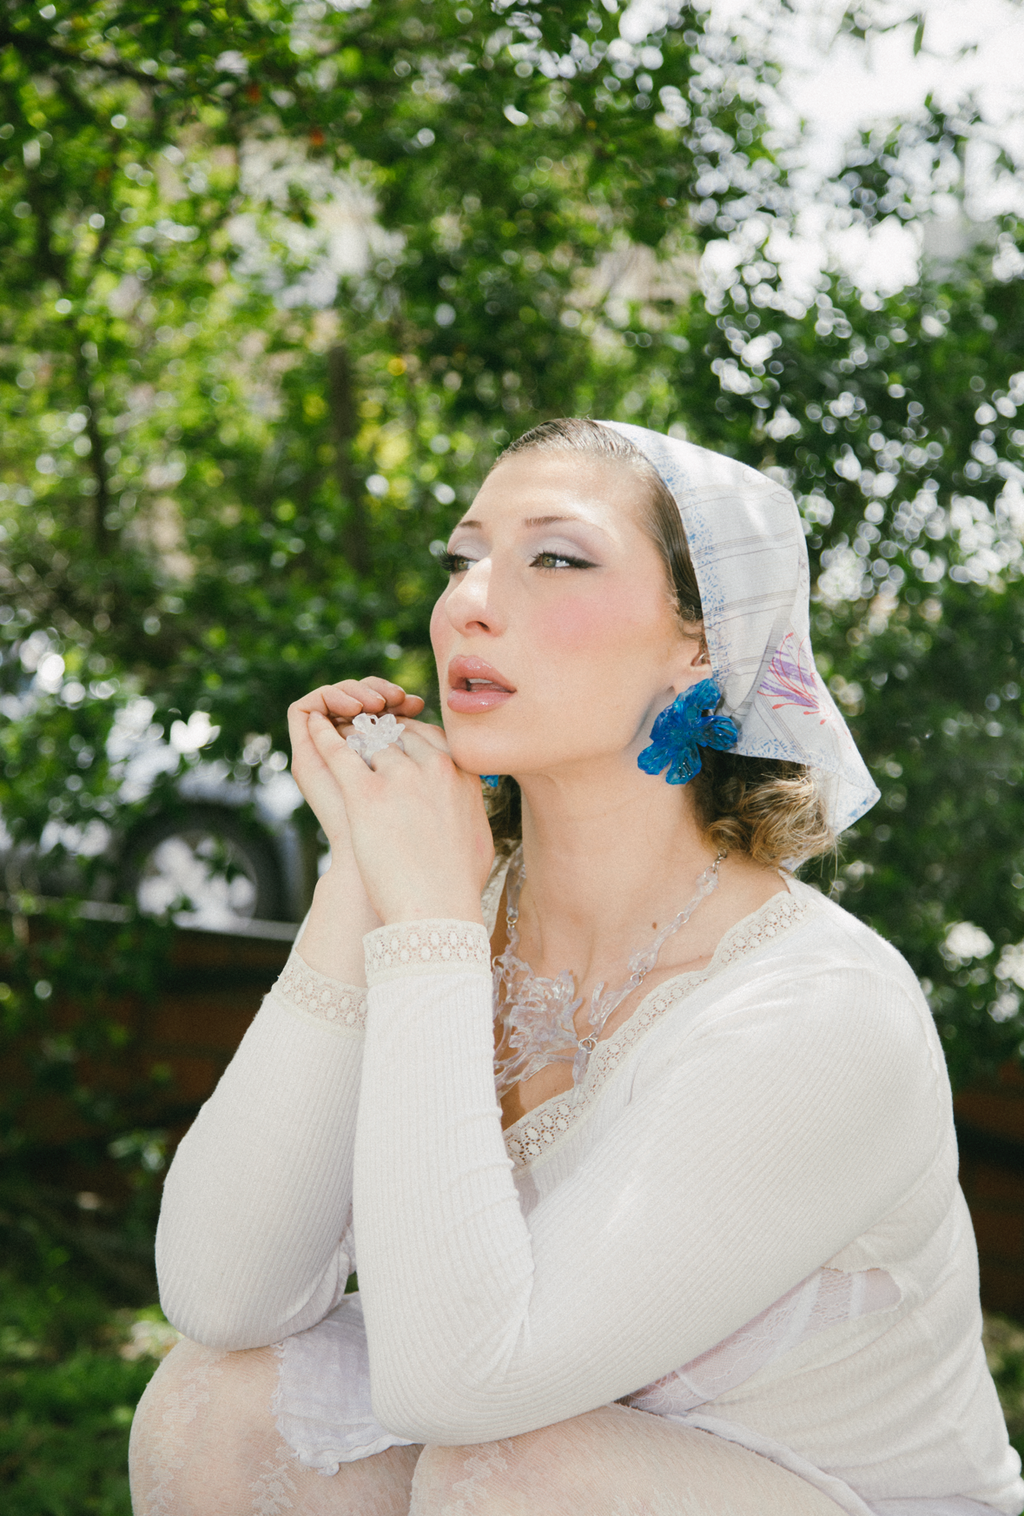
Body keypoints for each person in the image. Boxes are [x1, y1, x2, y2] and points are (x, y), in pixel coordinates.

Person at [129, 419, 1024, 1516]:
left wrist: (425, 926)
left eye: (554, 556)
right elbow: (223, 1294)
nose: (469, 599)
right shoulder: (446, 901)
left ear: (704, 638)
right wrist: (363, 875)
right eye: (461, 557)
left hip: (833, 1499)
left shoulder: (817, 1009)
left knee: (512, 1475)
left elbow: (460, 1388)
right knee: (213, 1406)